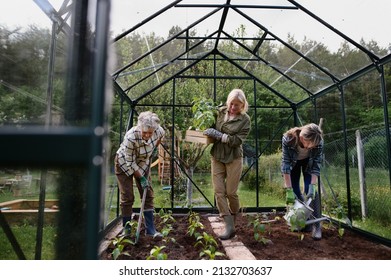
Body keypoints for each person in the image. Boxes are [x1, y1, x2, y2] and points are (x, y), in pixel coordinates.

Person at [203, 89, 251, 240]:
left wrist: (220, 135)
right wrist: (206, 131)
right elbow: (209, 125)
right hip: (217, 156)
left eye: (237, 105)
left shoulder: (245, 120)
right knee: (219, 191)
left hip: (233, 158)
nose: (233, 107)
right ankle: (229, 225)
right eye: (231, 103)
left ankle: (234, 216)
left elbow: (237, 141)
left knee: (231, 192)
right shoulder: (219, 112)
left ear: (243, 105)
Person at [114, 111, 165, 238]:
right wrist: (141, 178)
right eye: (145, 132)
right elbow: (130, 162)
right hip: (124, 163)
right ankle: (127, 230)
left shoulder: (158, 131)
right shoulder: (131, 137)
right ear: (140, 127)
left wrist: (153, 150)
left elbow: (159, 139)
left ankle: (150, 229)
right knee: (127, 196)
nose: (147, 135)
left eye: (150, 132)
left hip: (143, 162)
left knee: (147, 193)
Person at [281, 123, 324, 240]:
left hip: (309, 164)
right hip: (293, 164)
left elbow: (316, 165)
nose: (311, 147)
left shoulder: (318, 142)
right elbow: (285, 163)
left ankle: (316, 226)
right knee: (295, 190)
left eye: (314, 145)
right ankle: (300, 222)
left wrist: (313, 185)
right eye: (309, 144)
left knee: (311, 192)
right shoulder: (288, 139)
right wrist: (288, 188)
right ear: (301, 138)